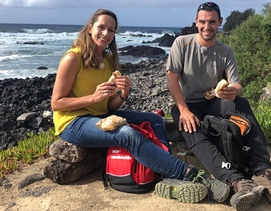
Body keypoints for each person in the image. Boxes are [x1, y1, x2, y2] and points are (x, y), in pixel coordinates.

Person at [51, 9, 230, 204]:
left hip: (100, 115)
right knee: (126, 134)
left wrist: (123, 94)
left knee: (153, 119)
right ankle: (189, 175)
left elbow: (110, 107)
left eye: (111, 30)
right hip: (73, 123)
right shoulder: (73, 58)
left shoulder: (109, 60)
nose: (106, 34)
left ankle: (166, 173)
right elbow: (57, 103)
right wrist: (93, 98)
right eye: (101, 27)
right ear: (89, 28)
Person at [166, 2, 271, 210]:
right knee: (190, 127)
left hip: (214, 100)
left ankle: (263, 173)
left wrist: (233, 91)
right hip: (188, 103)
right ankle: (236, 181)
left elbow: (237, 84)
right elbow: (172, 80)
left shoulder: (225, 51)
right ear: (196, 22)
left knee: (241, 103)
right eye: (203, 22)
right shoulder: (182, 43)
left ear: (220, 23)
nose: (207, 27)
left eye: (212, 22)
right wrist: (183, 110)